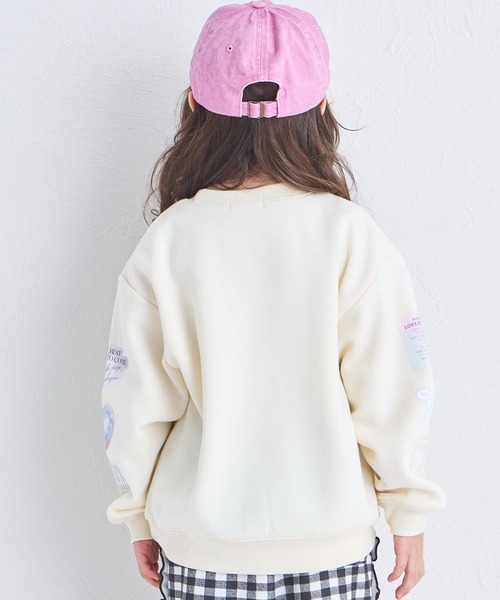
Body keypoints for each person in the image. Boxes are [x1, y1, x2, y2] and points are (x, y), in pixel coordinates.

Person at [100, 2, 446, 599]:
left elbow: (133, 400)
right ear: (321, 109)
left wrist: (136, 512)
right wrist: (407, 509)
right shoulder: (349, 236)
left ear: (194, 107)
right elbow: (390, 388)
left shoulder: (169, 242)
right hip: (332, 554)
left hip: (201, 555)